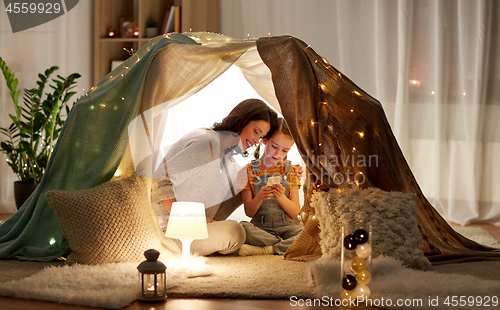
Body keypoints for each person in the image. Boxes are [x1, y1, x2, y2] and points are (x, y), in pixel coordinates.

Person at [151, 99, 303, 256]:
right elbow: (159, 181)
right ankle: (277, 244)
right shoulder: (207, 143)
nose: (256, 141)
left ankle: (276, 239)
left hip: (201, 221)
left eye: (261, 137)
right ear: (241, 121)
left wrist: (287, 171)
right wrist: (189, 219)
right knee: (235, 232)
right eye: (256, 132)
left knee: (244, 183)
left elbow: (252, 180)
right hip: (172, 228)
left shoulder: (227, 154)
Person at [237, 118, 303, 256]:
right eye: (274, 146)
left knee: (312, 233)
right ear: (265, 140)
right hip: (261, 227)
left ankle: (266, 249)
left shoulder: (291, 170)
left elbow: (294, 212)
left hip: (288, 227)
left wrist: (280, 197)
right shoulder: (246, 171)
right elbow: (249, 212)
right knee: (241, 228)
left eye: (284, 150)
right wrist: (260, 196)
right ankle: (285, 244)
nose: (278, 154)